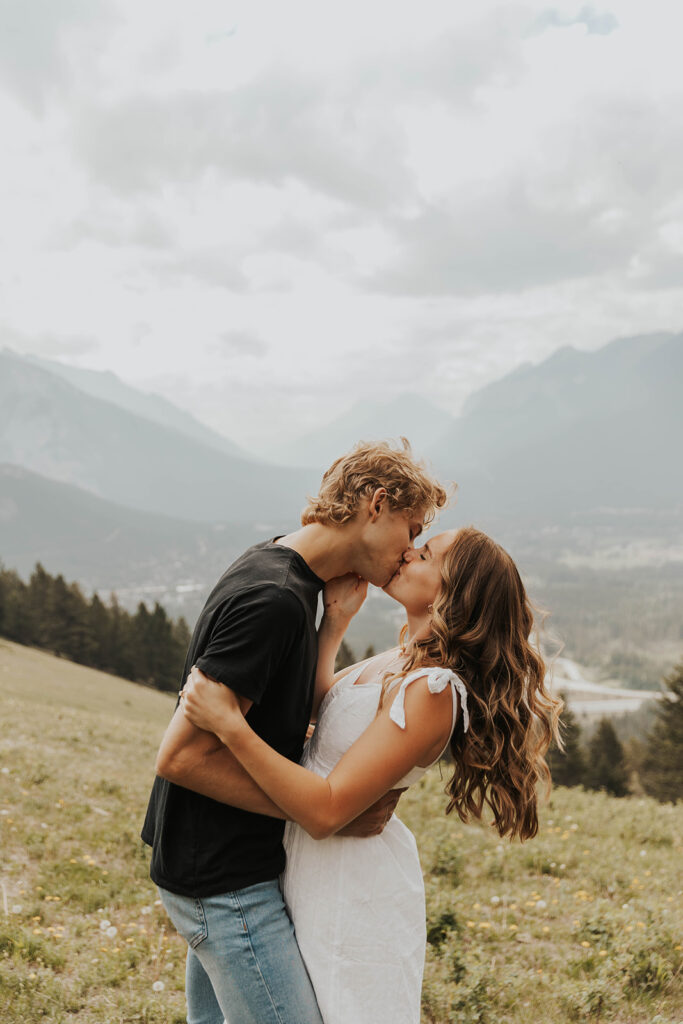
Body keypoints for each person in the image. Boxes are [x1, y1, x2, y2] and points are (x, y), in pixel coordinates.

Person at [180, 526, 563, 1024]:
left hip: (351, 887)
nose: (407, 553)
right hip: (307, 865)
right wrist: (334, 625)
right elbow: (320, 709)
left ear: (456, 592)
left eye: (425, 555)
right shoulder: (402, 659)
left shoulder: (434, 690)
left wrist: (230, 727)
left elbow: (326, 810)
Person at [142, 439, 448, 1024]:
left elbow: (280, 715)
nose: (410, 551)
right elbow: (179, 758)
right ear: (376, 504)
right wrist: (319, 814)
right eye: (410, 531)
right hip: (225, 878)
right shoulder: (275, 599)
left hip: (225, 864)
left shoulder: (286, 573)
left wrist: (332, 626)